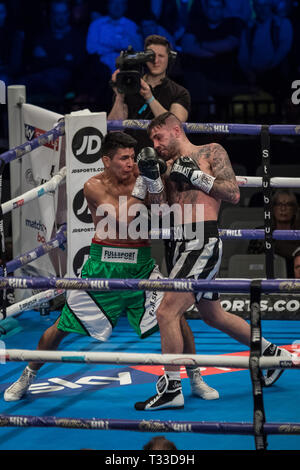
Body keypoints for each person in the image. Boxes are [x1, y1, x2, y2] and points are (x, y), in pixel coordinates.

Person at [3, 131, 215, 402]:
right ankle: (28, 375)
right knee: (62, 326)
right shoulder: (93, 186)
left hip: (140, 264)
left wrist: (158, 176)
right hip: (102, 266)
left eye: (132, 157)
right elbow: (124, 219)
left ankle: (195, 375)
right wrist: (145, 186)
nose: (130, 163)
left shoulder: (142, 173)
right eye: (123, 158)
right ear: (106, 160)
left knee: (175, 317)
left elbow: (163, 211)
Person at [132, 112, 291, 410]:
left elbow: (232, 193)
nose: (155, 144)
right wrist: (153, 180)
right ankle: (274, 354)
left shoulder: (211, 151)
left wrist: (196, 176)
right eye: (152, 139)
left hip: (201, 240)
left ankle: (172, 387)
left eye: (158, 136)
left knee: (166, 311)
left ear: (176, 130)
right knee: (212, 315)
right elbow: (160, 211)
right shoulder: (164, 166)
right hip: (178, 243)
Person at [107, 34, 191, 151]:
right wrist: (120, 95)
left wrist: (149, 97)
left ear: (169, 58)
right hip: (131, 156)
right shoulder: (129, 85)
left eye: (161, 56)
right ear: (144, 58)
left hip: (164, 157)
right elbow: (114, 129)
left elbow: (176, 125)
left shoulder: (180, 92)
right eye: (151, 56)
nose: (156, 61)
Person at [248, 189, 300, 277]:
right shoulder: (261, 234)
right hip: (266, 279)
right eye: (279, 204)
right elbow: (252, 262)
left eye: (288, 204)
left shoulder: (299, 233)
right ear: (272, 208)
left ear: (295, 209)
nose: (283, 209)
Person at [86, 0, 143, 74]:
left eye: (121, 3)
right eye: (114, 2)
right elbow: (91, 48)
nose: (117, 7)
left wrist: (106, 47)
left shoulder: (131, 26)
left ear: (125, 7)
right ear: (108, 5)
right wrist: (119, 48)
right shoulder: (97, 25)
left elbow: (138, 50)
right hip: (100, 69)